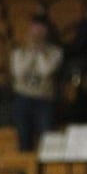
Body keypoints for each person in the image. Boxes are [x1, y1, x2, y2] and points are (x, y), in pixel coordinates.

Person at [10, 13, 63, 152]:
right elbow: (18, 72)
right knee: (23, 138)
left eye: (40, 29)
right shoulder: (18, 51)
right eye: (35, 28)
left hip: (44, 99)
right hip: (23, 98)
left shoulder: (55, 52)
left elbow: (45, 70)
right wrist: (30, 51)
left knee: (47, 137)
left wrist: (40, 51)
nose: (37, 32)